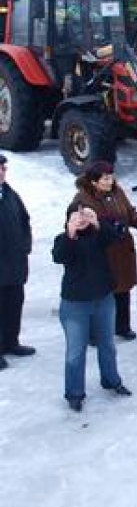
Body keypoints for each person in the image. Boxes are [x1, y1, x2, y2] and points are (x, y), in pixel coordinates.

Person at [52, 204, 131, 411]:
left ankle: (112, 381)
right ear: (68, 219)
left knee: (108, 345)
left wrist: (99, 223)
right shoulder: (64, 239)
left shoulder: (99, 234)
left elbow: (115, 237)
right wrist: (71, 232)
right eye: (78, 216)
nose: (83, 219)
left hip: (103, 300)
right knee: (75, 352)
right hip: (75, 305)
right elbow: (59, 256)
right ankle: (74, 393)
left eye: (86, 215)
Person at [67, 162, 137, 341]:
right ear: (94, 181)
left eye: (111, 177)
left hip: (122, 248)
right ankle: (94, 332)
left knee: (123, 287)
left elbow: (128, 211)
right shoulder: (83, 198)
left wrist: (136, 220)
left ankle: (122, 326)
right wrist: (106, 226)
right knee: (100, 292)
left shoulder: (117, 192)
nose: (110, 181)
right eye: (106, 178)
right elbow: (80, 223)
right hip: (101, 250)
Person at [0, 152, 33, 370]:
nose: (3, 172)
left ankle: (11, 342)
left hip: (14, 264)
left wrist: (25, 246)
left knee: (13, 305)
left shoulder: (10, 193)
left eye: (4, 168)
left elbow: (24, 220)